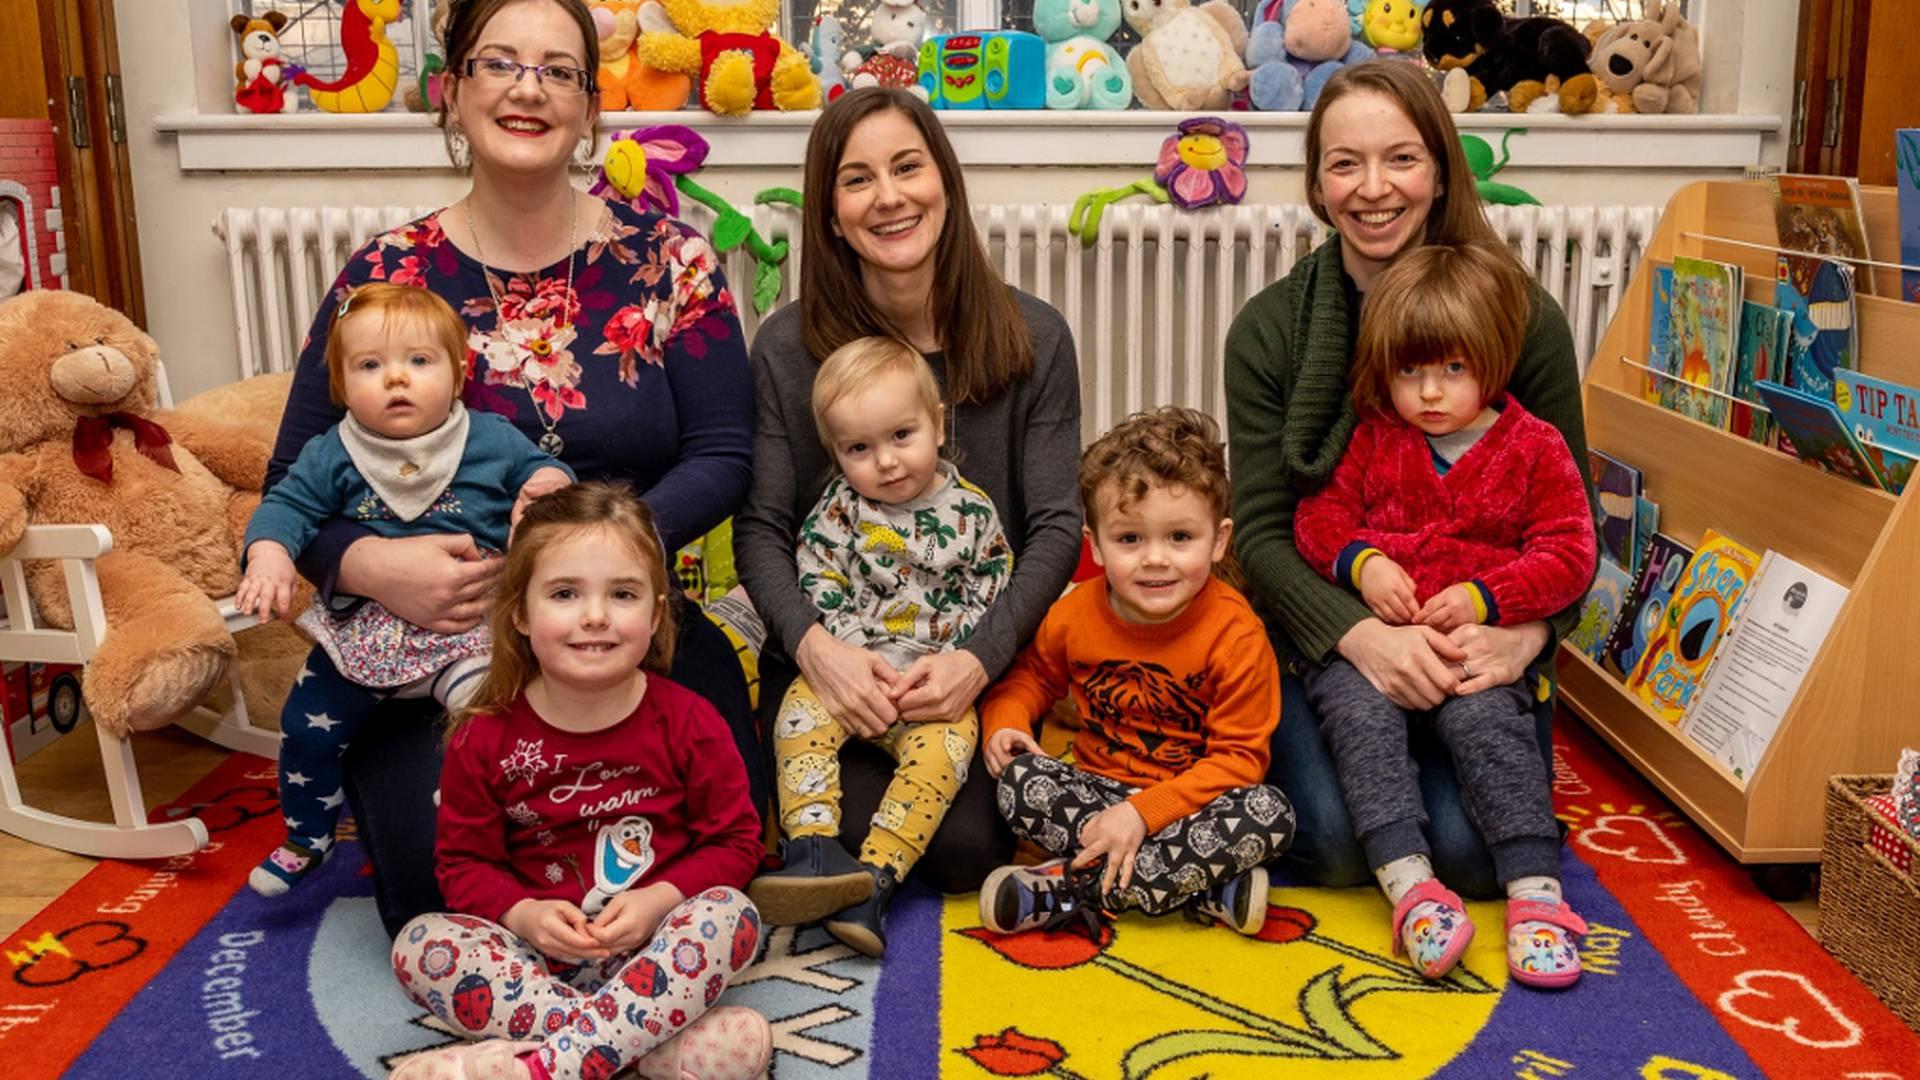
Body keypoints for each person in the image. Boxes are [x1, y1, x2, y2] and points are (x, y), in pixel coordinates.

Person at [264, 0, 759, 937]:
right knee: (431, 886)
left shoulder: (670, 260)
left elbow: (725, 456)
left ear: (589, 106)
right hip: (436, 645)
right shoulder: (388, 274)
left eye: (558, 70)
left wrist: (602, 562)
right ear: (452, 92)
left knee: (717, 849)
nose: (528, 89)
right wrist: (369, 567)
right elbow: (295, 474)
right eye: (499, 64)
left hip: (625, 626)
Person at [1224, 59, 1597, 899]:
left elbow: (1570, 529)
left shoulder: (1524, 318)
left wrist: (1525, 637)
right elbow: (1263, 532)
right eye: (1344, 163)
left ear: (1439, 170)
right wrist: (1361, 636)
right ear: (1317, 184)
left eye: (1400, 158)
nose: (1373, 188)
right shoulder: (1269, 331)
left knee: (1472, 858)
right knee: (1335, 841)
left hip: (1480, 634)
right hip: (1334, 636)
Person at [734, 86, 1084, 895]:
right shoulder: (788, 347)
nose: (888, 197)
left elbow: (1059, 528)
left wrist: (977, 659)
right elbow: (759, 528)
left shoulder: (1035, 337)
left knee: (963, 853)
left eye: (907, 168)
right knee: (816, 825)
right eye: (857, 180)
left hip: (958, 659)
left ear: (945, 184)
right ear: (829, 213)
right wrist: (821, 652)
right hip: (832, 654)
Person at [388, 483, 770, 1080]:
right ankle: (649, 1048)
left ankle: (541, 1068)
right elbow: (463, 865)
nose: (595, 616)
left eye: (622, 594)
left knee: (732, 914)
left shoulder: (691, 722)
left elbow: (737, 843)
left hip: (658, 951)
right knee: (420, 943)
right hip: (534, 962)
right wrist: (523, 914)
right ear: (520, 612)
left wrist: (657, 902)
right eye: (565, 593)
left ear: (656, 611)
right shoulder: (482, 735)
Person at [1292, 243, 1597, 988]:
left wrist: (1490, 601)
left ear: (1492, 361)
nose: (1429, 392)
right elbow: (1316, 523)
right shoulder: (1375, 438)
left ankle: (1536, 895)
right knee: (1358, 725)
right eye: (1409, 373)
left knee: (1490, 728)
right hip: (1375, 654)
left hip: (1471, 654)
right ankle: (1411, 889)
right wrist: (1364, 564)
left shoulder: (1534, 447)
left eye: (1453, 370)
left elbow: (1571, 553)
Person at [240, 283, 573, 898]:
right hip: (368, 632)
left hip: (468, 630)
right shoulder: (331, 453)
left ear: (458, 372)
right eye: (370, 366)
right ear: (341, 384)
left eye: (419, 362)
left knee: (490, 712)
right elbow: (286, 505)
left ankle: (481, 801)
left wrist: (547, 481)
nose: (397, 379)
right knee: (307, 726)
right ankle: (306, 834)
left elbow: (543, 472)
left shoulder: (490, 438)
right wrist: (268, 553)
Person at [975, 408, 1295, 938]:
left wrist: (1144, 815)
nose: (1154, 559)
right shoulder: (1074, 612)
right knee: (1018, 781)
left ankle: (1070, 887)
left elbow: (1240, 761)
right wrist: (1007, 722)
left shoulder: (1237, 634)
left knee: (1272, 812)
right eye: (1129, 540)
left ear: (1218, 541)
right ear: (1095, 545)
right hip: (1093, 795)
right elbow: (1030, 677)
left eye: (1179, 538)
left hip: (1190, 807)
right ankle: (1203, 887)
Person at [748, 337, 1012, 954]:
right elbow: (817, 575)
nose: (886, 462)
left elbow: (992, 586)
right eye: (859, 448)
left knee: (944, 759)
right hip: (852, 671)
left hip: (932, 686)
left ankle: (874, 880)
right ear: (836, 453)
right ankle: (812, 850)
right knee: (797, 719)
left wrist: (950, 658)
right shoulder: (839, 511)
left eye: (901, 436)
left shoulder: (971, 515)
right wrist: (848, 651)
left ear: (938, 425)